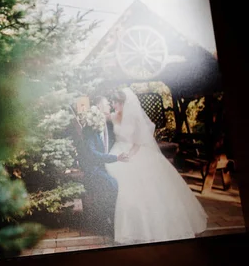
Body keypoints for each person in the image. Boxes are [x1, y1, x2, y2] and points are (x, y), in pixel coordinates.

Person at [105, 88, 208, 245]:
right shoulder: (113, 116)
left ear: (123, 103)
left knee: (142, 184)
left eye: (115, 102)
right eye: (112, 102)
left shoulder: (134, 118)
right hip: (117, 151)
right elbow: (101, 117)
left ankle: (147, 227)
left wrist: (131, 155)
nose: (113, 105)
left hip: (134, 150)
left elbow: (139, 141)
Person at [79, 96, 128, 237]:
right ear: (99, 106)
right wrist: (116, 158)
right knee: (113, 184)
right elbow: (93, 155)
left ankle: (118, 221)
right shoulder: (89, 127)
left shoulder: (106, 124)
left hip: (104, 166)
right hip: (93, 170)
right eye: (107, 104)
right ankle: (110, 222)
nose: (109, 106)